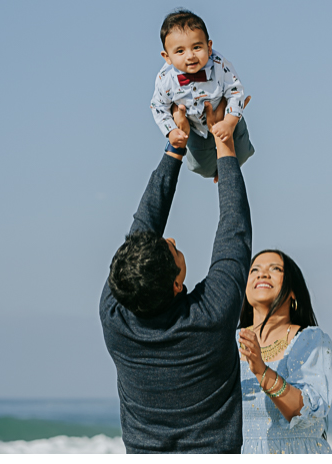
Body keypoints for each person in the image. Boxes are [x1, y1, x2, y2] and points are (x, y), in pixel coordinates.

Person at [100, 99, 252, 453]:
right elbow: (234, 231)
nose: (169, 238)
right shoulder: (211, 317)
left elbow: (145, 226)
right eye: (172, 250)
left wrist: (176, 146)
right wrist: (224, 142)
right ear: (175, 284)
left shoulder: (116, 314)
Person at [237, 250, 332, 453]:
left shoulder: (311, 341)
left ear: (293, 292)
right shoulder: (225, 342)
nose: (262, 274)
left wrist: (262, 372)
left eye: (275, 269)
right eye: (254, 270)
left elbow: (304, 412)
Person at [151, 9, 254, 175]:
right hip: (195, 126)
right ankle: (217, 174)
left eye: (197, 47)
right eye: (180, 51)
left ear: (209, 46)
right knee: (201, 168)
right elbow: (158, 106)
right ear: (167, 57)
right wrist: (171, 130)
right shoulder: (165, 79)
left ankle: (227, 173)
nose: (190, 56)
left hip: (226, 117)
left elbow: (235, 91)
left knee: (241, 155)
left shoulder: (220, 64)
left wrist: (229, 122)